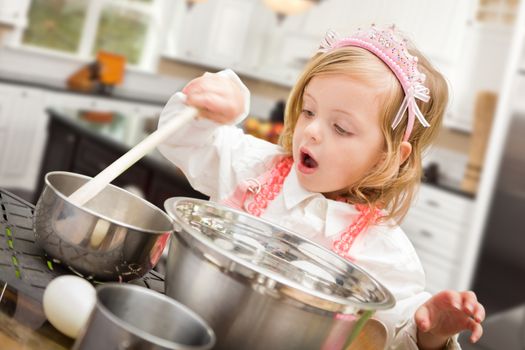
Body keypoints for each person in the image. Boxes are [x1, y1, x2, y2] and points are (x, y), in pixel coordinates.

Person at [157, 25, 484, 349]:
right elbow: (180, 140)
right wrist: (207, 107)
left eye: (341, 128)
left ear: (388, 156)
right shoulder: (252, 166)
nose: (311, 130)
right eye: (308, 111)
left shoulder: (385, 250)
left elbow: (396, 336)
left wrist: (433, 332)